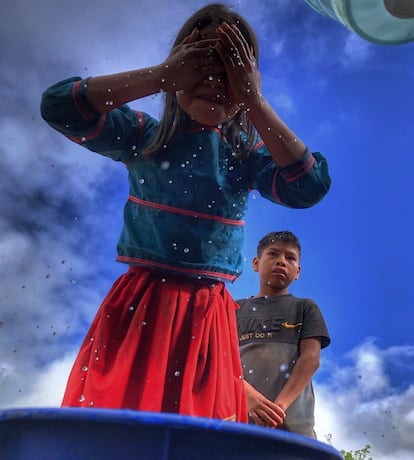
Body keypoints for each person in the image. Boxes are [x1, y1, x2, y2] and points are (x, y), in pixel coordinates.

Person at [40, 3, 331, 422]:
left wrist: (254, 101)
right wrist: (160, 75)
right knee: (122, 430)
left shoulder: (244, 158)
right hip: (142, 309)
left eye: (230, 71)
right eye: (201, 64)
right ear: (178, 68)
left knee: (199, 434)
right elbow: (59, 106)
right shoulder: (144, 136)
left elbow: (309, 186)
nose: (215, 81)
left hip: (208, 319)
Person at [237, 231, 330, 436]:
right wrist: (247, 395)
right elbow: (220, 361)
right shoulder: (234, 309)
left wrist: (278, 408)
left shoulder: (304, 308)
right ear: (255, 263)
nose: (281, 261)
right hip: (236, 424)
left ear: (297, 271)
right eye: (273, 254)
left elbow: (311, 359)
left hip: (292, 430)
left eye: (290, 257)